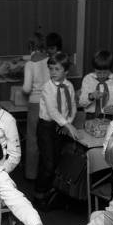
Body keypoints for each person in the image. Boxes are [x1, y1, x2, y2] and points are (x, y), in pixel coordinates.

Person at [35, 52, 78, 208]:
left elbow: (72, 106)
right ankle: (39, 195)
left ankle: (51, 192)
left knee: (57, 161)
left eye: (57, 69)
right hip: (46, 127)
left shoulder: (69, 86)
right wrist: (67, 125)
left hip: (61, 127)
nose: (53, 72)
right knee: (48, 163)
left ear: (66, 71)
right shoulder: (48, 87)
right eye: (51, 68)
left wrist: (68, 123)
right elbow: (52, 111)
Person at [22, 32, 50, 180]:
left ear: (30, 46)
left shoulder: (30, 64)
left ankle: (31, 174)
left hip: (35, 103)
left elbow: (26, 89)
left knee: (33, 140)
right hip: (50, 103)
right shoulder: (50, 61)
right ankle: (47, 174)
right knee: (48, 139)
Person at [79, 50, 113, 116]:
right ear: (94, 69)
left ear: (110, 69)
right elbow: (82, 103)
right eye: (99, 72)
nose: (102, 75)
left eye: (106, 72)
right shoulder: (88, 79)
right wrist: (91, 96)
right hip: (90, 116)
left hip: (110, 116)